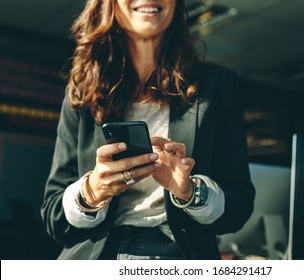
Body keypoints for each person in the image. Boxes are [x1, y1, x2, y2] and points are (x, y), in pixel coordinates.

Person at [41, 0, 255, 260]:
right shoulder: (82, 90)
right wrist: (92, 190)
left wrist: (190, 191)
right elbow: (53, 216)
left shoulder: (218, 85)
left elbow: (239, 206)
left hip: (180, 253)